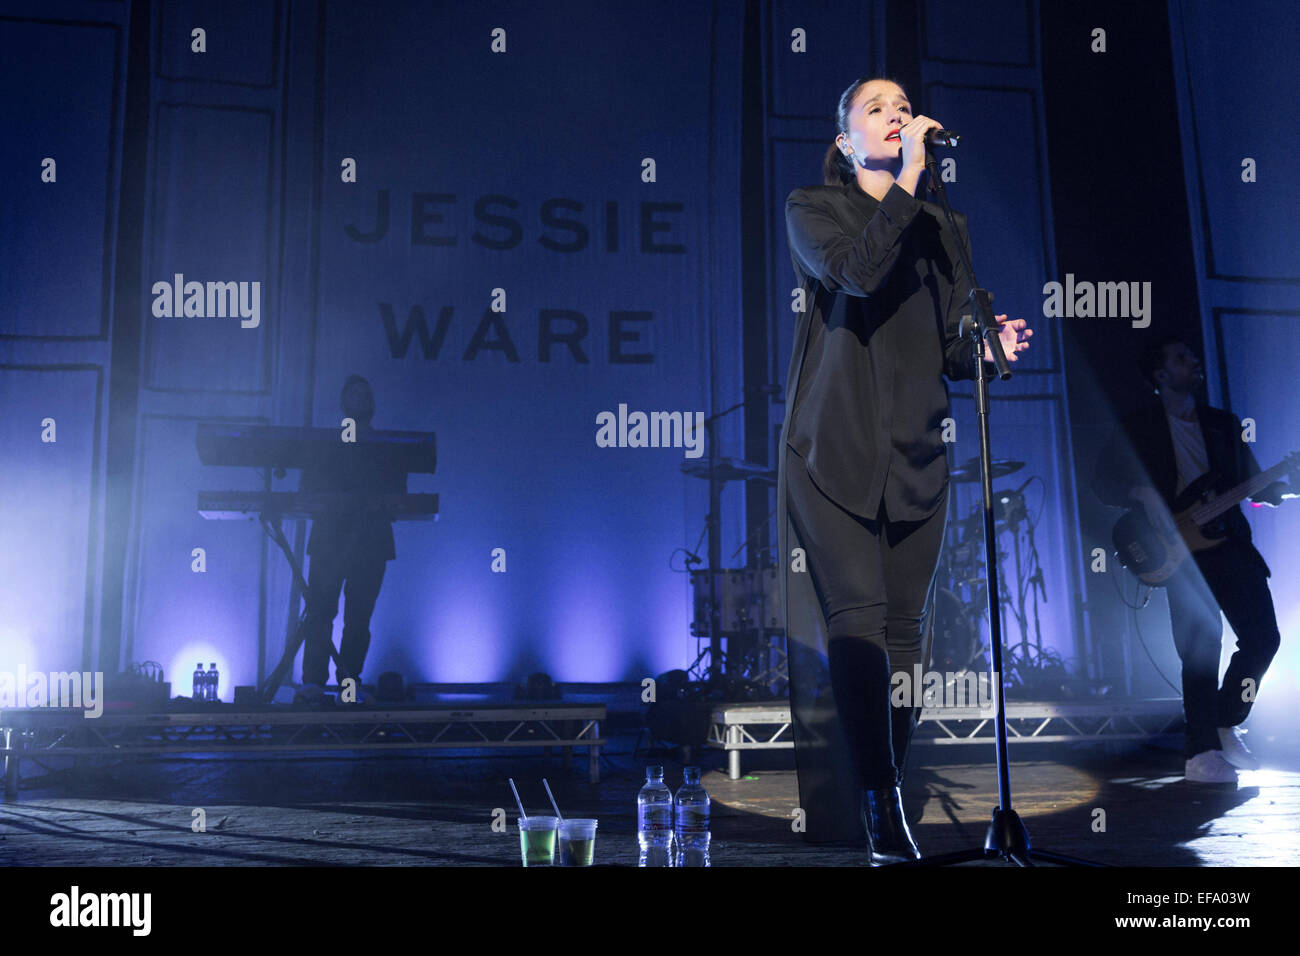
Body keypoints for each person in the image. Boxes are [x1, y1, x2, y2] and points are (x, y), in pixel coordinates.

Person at [777, 76, 1031, 862]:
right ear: (847, 142)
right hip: (833, 450)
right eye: (876, 109)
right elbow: (856, 272)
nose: (897, 114)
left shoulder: (943, 226)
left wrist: (988, 348)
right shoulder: (812, 210)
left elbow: (953, 343)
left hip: (918, 452)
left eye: (902, 105)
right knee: (857, 623)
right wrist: (910, 179)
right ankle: (880, 801)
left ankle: (887, 779)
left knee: (905, 637)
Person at [1093, 336, 1288, 784]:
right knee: (1201, 647)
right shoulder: (1139, 426)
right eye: (1182, 357)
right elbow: (1101, 481)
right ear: (1160, 375)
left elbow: (1255, 487)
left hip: (1230, 545)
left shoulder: (1224, 424)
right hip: (1177, 549)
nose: (1194, 361)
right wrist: (1138, 491)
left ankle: (1223, 721)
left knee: (1263, 638)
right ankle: (1199, 753)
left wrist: (1284, 486)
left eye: (1192, 356)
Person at [296, 376, 403, 704]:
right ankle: (314, 683)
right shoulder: (327, 446)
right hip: (332, 539)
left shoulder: (386, 448)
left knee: (358, 618)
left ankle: (348, 683)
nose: (361, 400)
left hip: (369, 542)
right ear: (343, 404)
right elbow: (309, 490)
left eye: (365, 395)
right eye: (355, 395)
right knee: (321, 613)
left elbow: (398, 494)